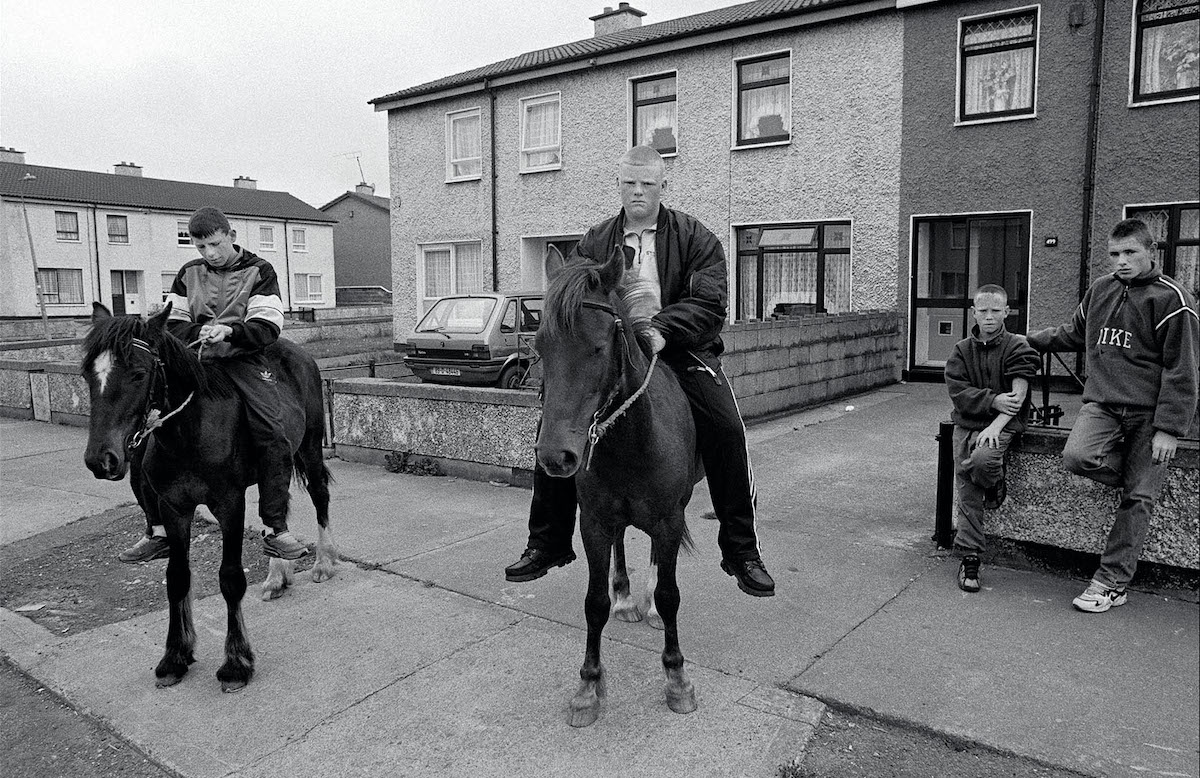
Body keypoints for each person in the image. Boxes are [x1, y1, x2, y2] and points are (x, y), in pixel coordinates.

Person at [503, 145, 775, 597]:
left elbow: (710, 304)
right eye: (629, 183)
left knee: (727, 428)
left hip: (679, 348)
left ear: (662, 186)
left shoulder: (695, 237)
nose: (637, 192)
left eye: (647, 184)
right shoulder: (595, 241)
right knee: (557, 421)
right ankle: (548, 541)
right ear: (619, 185)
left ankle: (741, 549)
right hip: (615, 351)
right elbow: (576, 299)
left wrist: (663, 329)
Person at [1027, 218, 1198, 613]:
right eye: (1114, 254)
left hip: (1148, 415)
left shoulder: (1174, 300)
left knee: (1138, 499)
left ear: (1150, 252)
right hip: (1103, 403)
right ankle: (1138, 481)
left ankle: (1111, 582)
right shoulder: (1101, 290)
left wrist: (1169, 430)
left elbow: (1183, 369)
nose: (1121, 261)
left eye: (1130, 253)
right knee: (1078, 456)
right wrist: (1026, 340)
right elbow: (1073, 334)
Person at [118, 207, 307, 562]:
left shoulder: (260, 271)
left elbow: (268, 326)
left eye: (216, 244)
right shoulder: (188, 273)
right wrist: (199, 331)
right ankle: (157, 530)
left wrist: (231, 331)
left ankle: (275, 528)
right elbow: (172, 324)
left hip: (242, 358)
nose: (210, 253)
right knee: (145, 435)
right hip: (194, 359)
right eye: (202, 246)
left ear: (231, 235)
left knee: (272, 430)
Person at [944, 284, 1040, 592]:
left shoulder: (1018, 347)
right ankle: (970, 557)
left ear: (1006, 312)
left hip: (1003, 425)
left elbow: (1017, 397)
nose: (988, 317)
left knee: (983, 460)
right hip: (967, 423)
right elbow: (958, 392)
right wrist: (991, 400)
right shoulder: (961, 350)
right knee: (967, 489)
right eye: (982, 311)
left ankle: (993, 480)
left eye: (995, 311)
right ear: (973, 312)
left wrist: (996, 424)